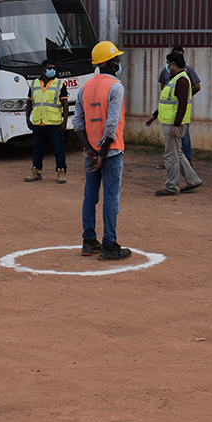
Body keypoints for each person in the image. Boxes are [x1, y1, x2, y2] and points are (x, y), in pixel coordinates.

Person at [74, 41, 131, 261]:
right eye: (116, 59)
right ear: (108, 62)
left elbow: (78, 123)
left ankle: (89, 241)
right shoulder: (116, 87)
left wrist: (90, 150)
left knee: (90, 196)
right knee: (110, 198)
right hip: (111, 152)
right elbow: (111, 125)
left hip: (91, 153)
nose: (118, 62)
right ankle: (109, 245)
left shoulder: (85, 87)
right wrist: (102, 154)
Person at [146, 51, 203, 196]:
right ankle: (193, 180)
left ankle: (172, 187)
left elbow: (182, 105)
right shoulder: (175, 79)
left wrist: (176, 125)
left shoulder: (181, 80)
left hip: (174, 124)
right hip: (172, 122)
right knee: (177, 153)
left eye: (168, 63)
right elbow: (168, 103)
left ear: (174, 64)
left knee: (171, 156)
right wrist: (154, 116)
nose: (167, 66)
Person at [24, 59, 69, 183]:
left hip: (54, 123)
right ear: (43, 70)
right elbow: (29, 102)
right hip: (38, 122)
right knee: (37, 149)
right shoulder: (34, 84)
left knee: (59, 149)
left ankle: (61, 173)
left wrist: (65, 121)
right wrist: (27, 118)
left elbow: (65, 104)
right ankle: (36, 172)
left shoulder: (59, 84)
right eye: (49, 68)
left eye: (54, 68)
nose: (52, 70)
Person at [157, 46, 201, 165]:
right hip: (168, 115)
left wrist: (186, 95)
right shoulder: (166, 71)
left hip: (179, 117)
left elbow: (196, 88)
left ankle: (186, 163)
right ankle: (191, 177)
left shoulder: (186, 73)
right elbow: (164, 91)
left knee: (181, 142)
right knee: (174, 149)